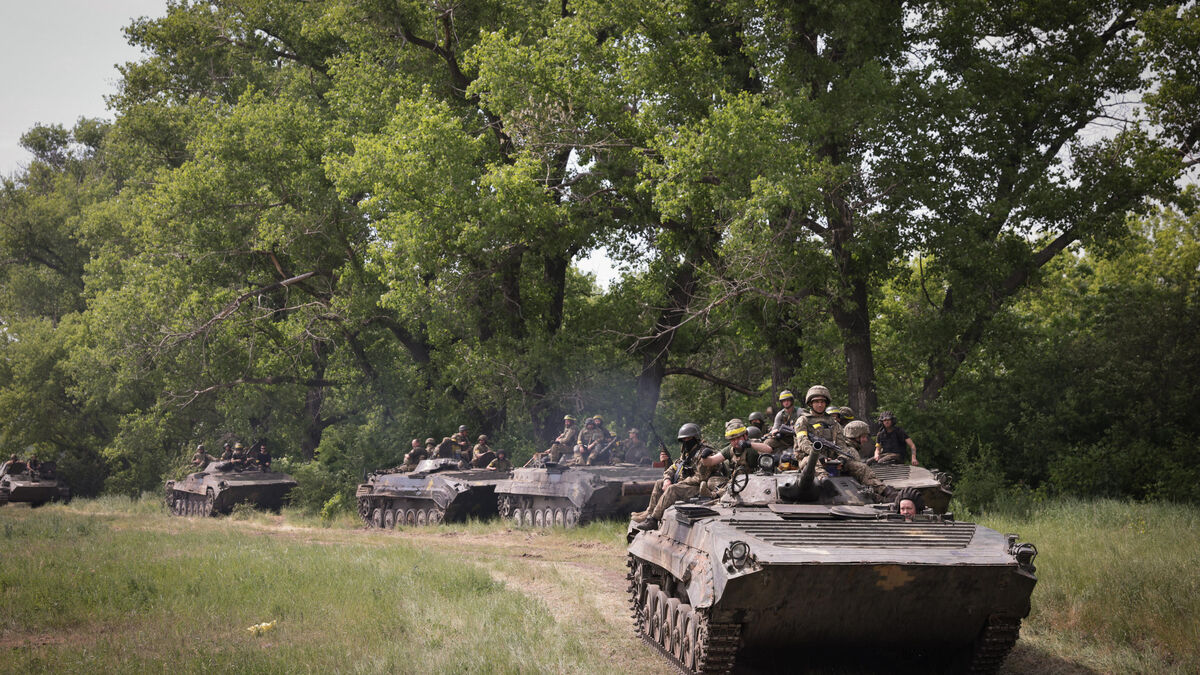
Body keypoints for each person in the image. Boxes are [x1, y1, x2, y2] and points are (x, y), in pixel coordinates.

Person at [633, 423, 726, 531]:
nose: (685, 441)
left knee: (673, 489)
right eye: (683, 439)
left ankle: (653, 519)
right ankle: (649, 513)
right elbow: (674, 467)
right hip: (687, 485)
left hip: (701, 488)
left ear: (695, 438)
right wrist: (667, 479)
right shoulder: (687, 453)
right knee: (659, 483)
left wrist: (678, 483)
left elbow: (700, 478)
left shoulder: (704, 453)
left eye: (688, 438)